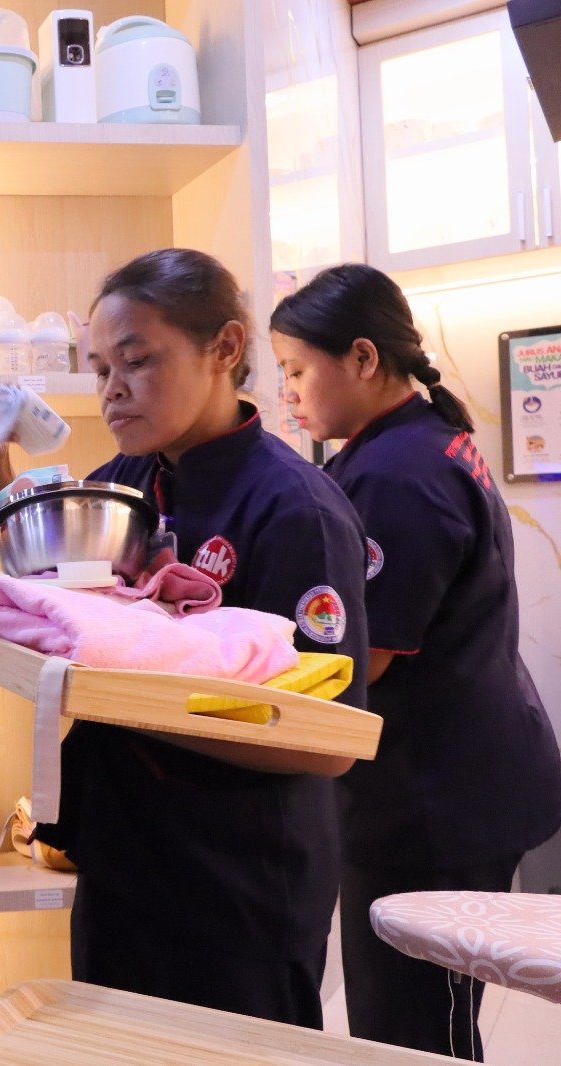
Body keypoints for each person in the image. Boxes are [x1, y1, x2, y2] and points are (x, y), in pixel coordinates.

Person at [0, 248, 370, 1027]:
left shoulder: (296, 509)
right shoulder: (132, 478)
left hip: (238, 883)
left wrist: (127, 696)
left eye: (137, 361)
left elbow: (330, 741)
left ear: (224, 348)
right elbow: (39, 578)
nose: (112, 389)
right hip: (123, 857)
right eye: (100, 370)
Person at [272, 262, 561, 1059]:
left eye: (297, 370)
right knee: (411, 1021)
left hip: (435, 802)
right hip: (459, 778)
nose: (287, 393)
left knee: (414, 1033)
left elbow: (365, 658)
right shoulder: (417, 442)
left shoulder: (398, 473)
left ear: (363, 358)